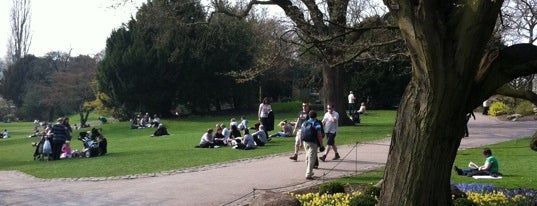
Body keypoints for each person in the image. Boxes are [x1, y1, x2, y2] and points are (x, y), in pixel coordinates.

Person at [300, 110, 324, 180]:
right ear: (316, 116)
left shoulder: (304, 123)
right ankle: (308, 174)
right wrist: (321, 145)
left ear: (309, 116)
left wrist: (301, 142)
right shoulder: (316, 123)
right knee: (312, 158)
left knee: (307, 156)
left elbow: (301, 133)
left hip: (305, 141)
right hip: (313, 142)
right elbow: (319, 135)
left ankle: (309, 171)